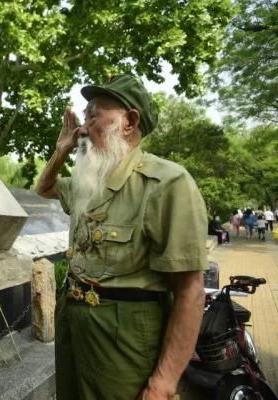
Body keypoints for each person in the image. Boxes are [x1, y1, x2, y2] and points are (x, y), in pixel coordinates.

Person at [35, 74, 207, 400]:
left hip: (124, 337)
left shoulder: (167, 184)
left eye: (93, 116)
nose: (82, 129)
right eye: (84, 117)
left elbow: (190, 291)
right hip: (74, 325)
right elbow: (44, 188)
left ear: (128, 122)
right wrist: (60, 151)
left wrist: (164, 382)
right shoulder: (89, 182)